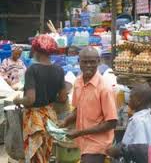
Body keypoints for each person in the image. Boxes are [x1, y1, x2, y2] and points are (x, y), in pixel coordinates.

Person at [13, 34, 67, 163]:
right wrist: (49, 97)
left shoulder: (32, 70)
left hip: (34, 120)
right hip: (50, 118)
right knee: (46, 154)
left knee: (34, 156)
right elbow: (63, 97)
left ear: (37, 50)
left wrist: (18, 100)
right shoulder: (59, 70)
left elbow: (30, 99)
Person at [60, 46, 118, 163]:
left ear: (98, 61)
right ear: (79, 62)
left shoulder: (104, 88)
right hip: (83, 142)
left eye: (92, 62)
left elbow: (112, 122)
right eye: (85, 62)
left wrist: (80, 132)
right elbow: (78, 109)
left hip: (98, 145)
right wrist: (66, 121)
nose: (88, 65)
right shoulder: (78, 82)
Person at [107, 83, 151, 163]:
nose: (129, 100)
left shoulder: (138, 121)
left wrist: (117, 151)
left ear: (138, 101)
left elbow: (139, 150)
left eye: (131, 97)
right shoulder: (150, 121)